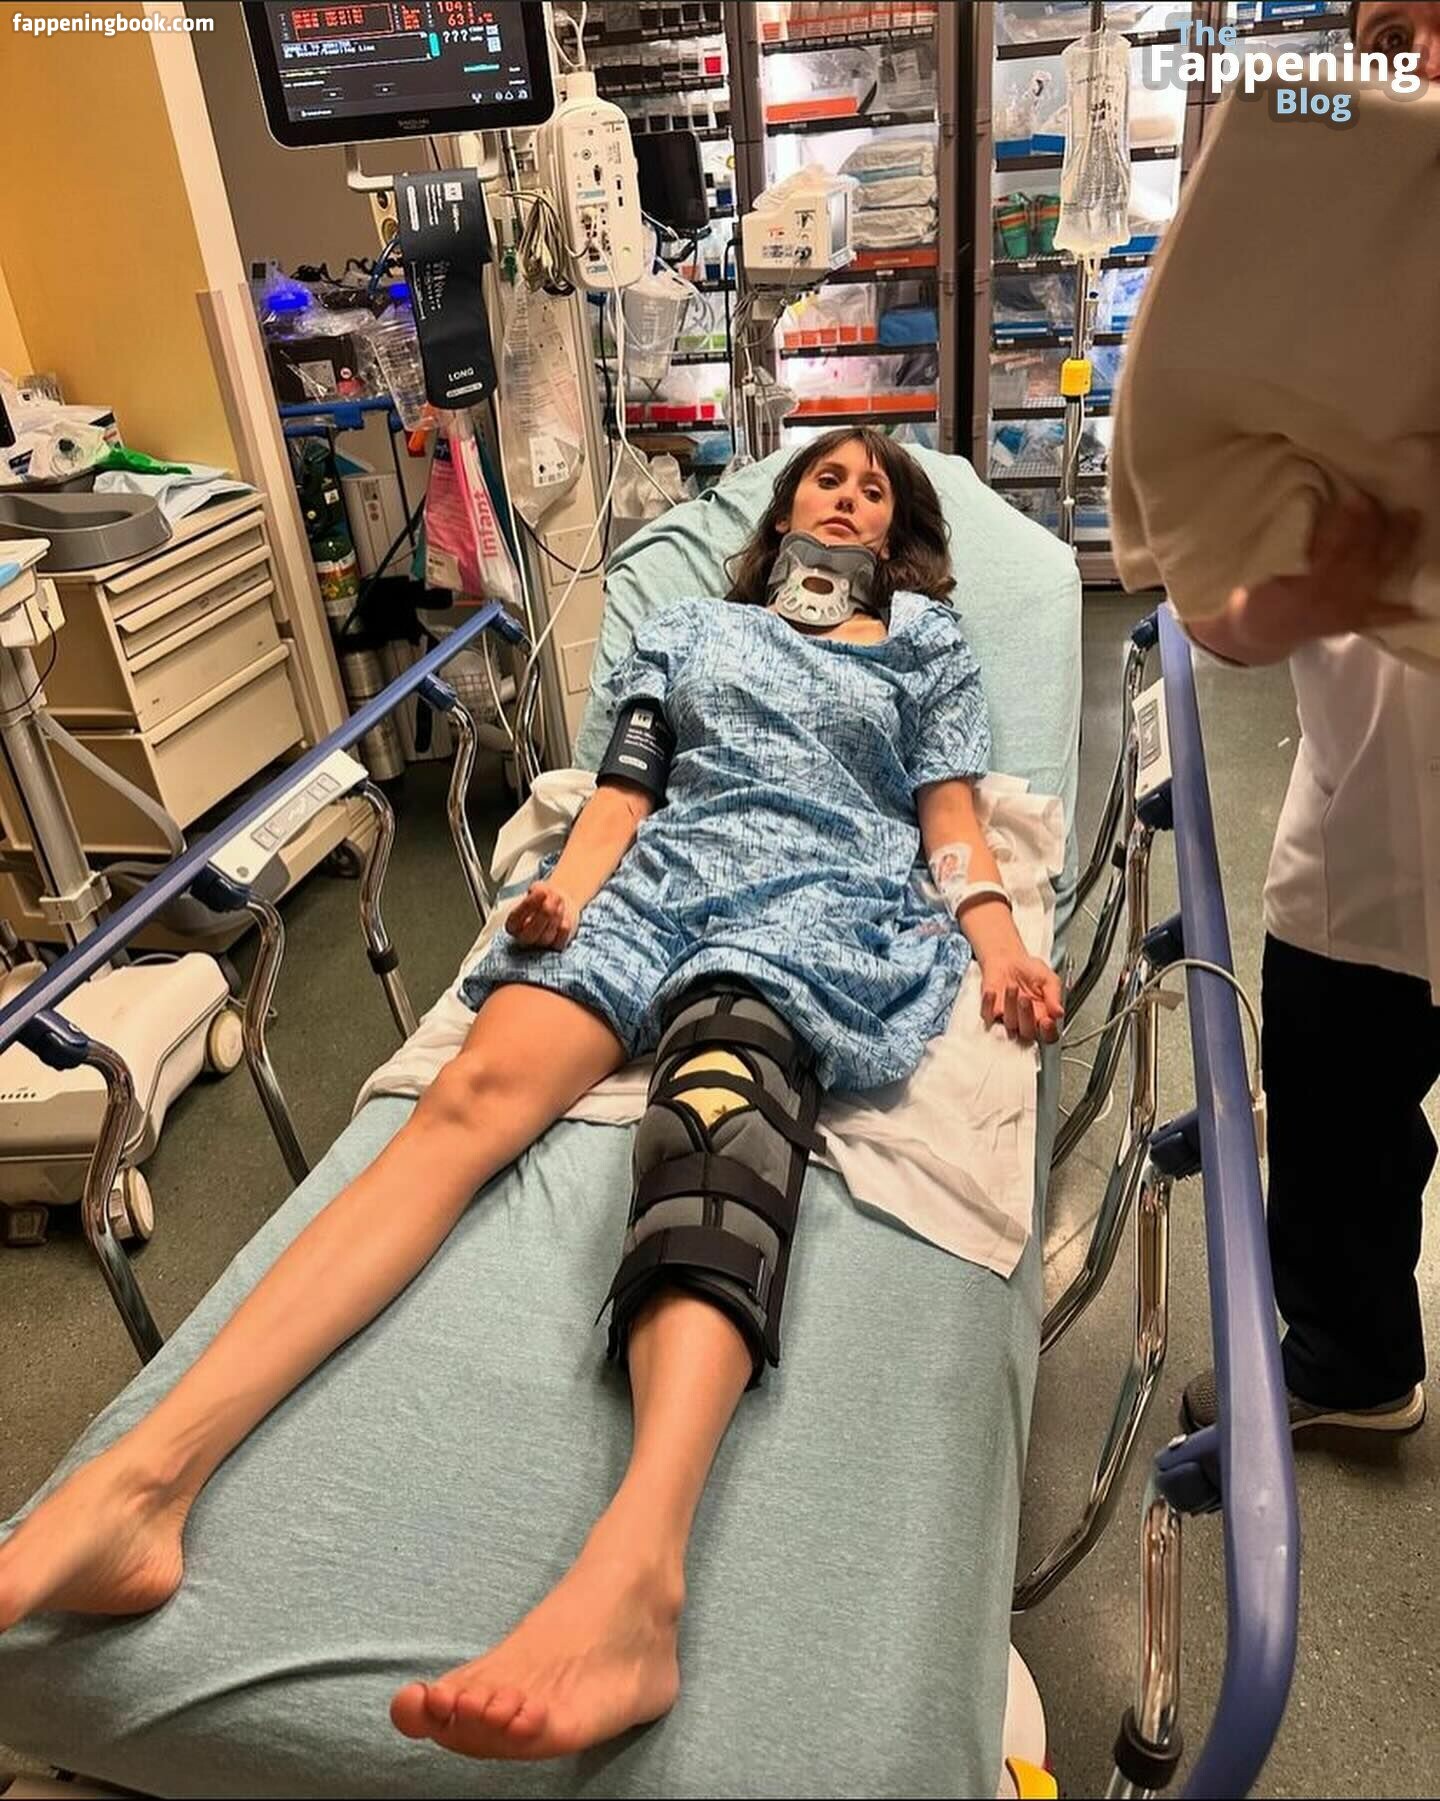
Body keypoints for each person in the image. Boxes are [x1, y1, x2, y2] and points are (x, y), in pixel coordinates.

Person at [0, 428, 1063, 1765]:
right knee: (468, 1102)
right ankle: (143, 1486)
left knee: (715, 1116)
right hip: (658, 881)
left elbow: (952, 821)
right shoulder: (690, 627)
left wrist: (998, 941)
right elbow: (625, 793)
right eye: (828, 477)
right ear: (786, 508)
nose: (849, 496)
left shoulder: (921, 645)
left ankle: (636, 1582)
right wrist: (564, 886)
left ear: (899, 533)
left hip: (812, 896)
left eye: (876, 489)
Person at [1181, 0, 1440, 1438]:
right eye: (1393, 32)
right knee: (1344, 1130)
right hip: (1367, 849)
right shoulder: (1310, 311)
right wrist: (1304, 597)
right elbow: (1217, 608)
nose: (1422, 62)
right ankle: (1348, 1360)